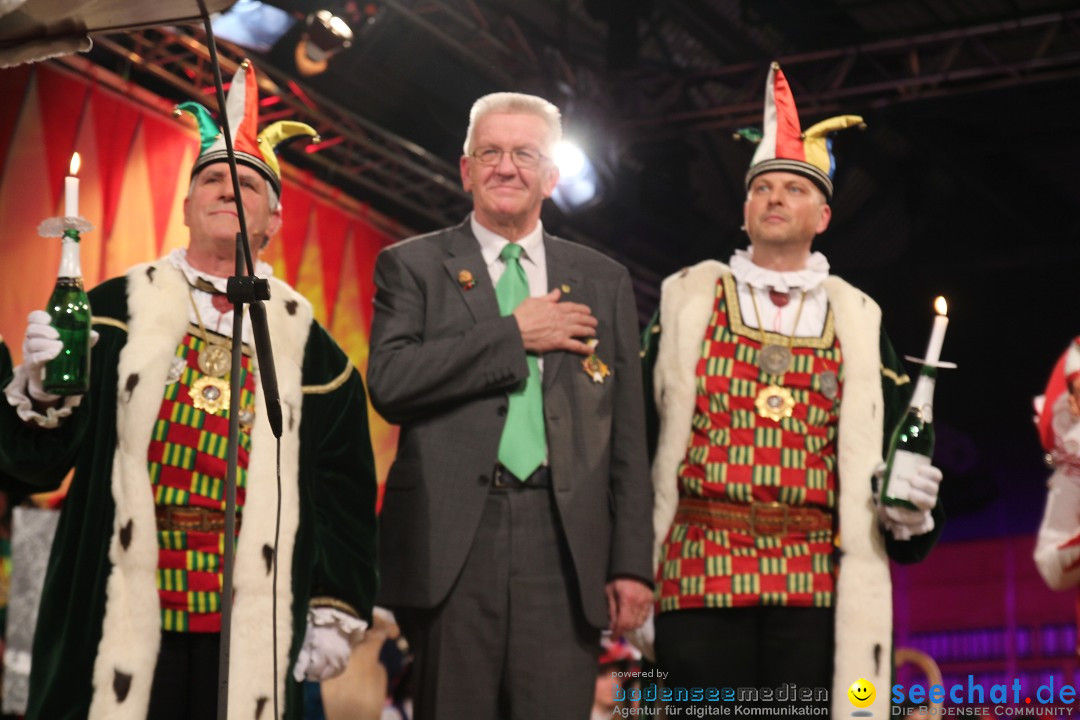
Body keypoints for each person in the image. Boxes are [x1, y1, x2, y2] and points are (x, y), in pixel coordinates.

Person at [0, 60, 378, 720]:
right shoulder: (109, 313)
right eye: (211, 177)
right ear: (185, 208)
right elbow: (33, 466)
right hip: (116, 611)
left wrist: (333, 605)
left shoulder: (318, 360)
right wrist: (38, 390)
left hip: (247, 628)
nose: (229, 190)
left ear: (275, 221)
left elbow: (342, 491)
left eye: (249, 186)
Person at [642, 62, 944, 716]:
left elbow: (902, 443)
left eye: (794, 189)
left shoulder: (861, 321)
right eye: (764, 188)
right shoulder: (686, 300)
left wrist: (912, 501)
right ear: (746, 208)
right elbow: (634, 434)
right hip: (698, 570)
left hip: (814, 582)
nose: (776, 198)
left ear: (825, 215)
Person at [367, 92, 653, 720]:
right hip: (453, 542)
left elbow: (628, 435)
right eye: (489, 152)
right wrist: (512, 335)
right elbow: (389, 383)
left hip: (567, 541)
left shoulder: (602, 279)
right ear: (465, 169)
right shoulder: (412, 265)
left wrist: (633, 564)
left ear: (552, 176)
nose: (506, 167)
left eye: (525, 153)